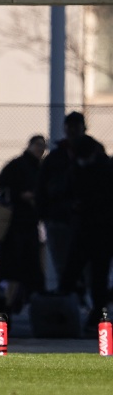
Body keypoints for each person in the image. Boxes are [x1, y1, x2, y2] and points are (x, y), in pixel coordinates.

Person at [36, 112, 98, 291]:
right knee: (82, 266)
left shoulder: (56, 157)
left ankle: (71, 299)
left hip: (67, 218)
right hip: (72, 218)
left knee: (67, 265)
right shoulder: (92, 154)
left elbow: (42, 188)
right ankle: (82, 301)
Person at [60, 134, 113, 331]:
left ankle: (65, 313)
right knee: (99, 275)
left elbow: (65, 194)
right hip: (102, 232)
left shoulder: (78, 170)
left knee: (72, 273)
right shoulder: (104, 169)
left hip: (85, 230)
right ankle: (98, 314)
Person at [0, 135, 47, 314]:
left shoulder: (26, 165)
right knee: (20, 265)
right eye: (38, 146)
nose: (41, 150)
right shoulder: (24, 166)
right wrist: (22, 195)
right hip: (19, 222)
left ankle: (11, 302)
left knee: (16, 266)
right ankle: (12, 302)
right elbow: (2, 186)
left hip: (22, 223)